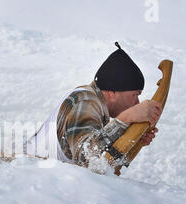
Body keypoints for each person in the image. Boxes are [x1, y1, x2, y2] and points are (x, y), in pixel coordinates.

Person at [26, 42, 162, 170]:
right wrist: (125, 118)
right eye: (135, 95)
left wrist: (134, 140)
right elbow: (87, 158)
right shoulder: (85, 102)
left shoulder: (94, 105)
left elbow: (105, 162)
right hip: (29, 179)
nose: (137, 103)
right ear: (112, 92)